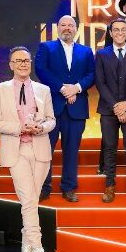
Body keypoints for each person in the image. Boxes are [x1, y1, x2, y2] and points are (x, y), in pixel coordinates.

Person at [0, 46, 55, 252]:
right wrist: (19, 128)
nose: (23, 64)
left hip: (40, 149)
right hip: (16, 151)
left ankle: (26, 243)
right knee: (28, 199)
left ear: (30, 63)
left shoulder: (43, 89)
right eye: (18, 61)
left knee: (31, 201)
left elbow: (51, 120)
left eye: (26, 60)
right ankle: (38, 251)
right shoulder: (0, 89)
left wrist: (40, 127)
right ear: (11, 65)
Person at [35, 15, 95, 203]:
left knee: (72, 150)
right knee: (46, 150)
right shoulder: (46, 47)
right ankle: (44, 187)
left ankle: (69, 188)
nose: (67, 28)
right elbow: (41, 70)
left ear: (76, 29)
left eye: (70, 25)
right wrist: (63, 89)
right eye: (63, 25)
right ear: (58, 28)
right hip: (51, 108)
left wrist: (76, 88)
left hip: (76, 108)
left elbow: (92, 74)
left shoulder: (86, 51)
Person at [96, 18, 126, 203]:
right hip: (108, 110)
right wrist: (117, 106)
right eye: (116, 30)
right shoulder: (102, 54)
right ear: (110, 33)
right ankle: (109, 185)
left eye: (123, 29)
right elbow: (100, 83)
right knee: (109, 148)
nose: (120, 33)